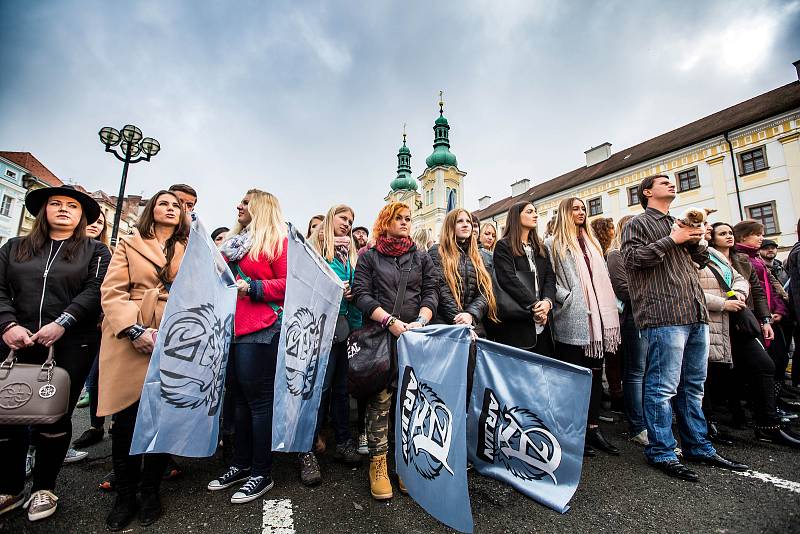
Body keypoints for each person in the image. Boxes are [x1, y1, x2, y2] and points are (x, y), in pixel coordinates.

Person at [622, 174, 747, 482]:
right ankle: (662, 451)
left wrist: (698, 240)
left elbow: (703, 262)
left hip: (694, 312)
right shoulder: (638, 224)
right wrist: (672, 240)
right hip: (664, 315)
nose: (672, 184)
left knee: (693, 386)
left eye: (672, 181)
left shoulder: (681, 222)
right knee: (662, 388)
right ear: (647, 192)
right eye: (663, 182)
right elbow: (632, 259)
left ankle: (698, 446)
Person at [0, 186, 110, 521]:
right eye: (56, 204)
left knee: (54, 415)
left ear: (81, 216)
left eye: (72, 206)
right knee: (8, 413)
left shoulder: (95, 251)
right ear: (43, 210)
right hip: (14, 341)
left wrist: (63, 322)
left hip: (70, 343)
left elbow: (95, 290)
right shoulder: (14, 247)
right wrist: (7, 324)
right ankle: (11, 487)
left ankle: (44, 487)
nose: (63, 209)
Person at [97, 191, 189, 530]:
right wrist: (134, 330)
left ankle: (150, 491)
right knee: (127, 420)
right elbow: (113, 290)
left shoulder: (191, 249)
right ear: (151, 210)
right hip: (131, 332)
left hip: (175, 334)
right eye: (163, 203)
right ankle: (125, 494)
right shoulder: (129, 243)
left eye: (176, 206)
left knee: (163, 417)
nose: (170, 208)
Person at [351, 202, 437, 501]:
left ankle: (404, 463)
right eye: (398, 218)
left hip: (413, 339)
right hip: (380, 336)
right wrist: (388, 320)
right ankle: (378, 464)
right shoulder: (370, 257)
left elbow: (431, 292)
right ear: (385, 222)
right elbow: (360, 294)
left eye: (408, 218)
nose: (404, 222)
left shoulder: (421, 256)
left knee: (409, 402)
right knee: (380, 400)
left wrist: (421, 321)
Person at [208, 190, 287, 504]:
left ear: (262, 207)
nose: (238, 206)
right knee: (238, 400)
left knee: (258, 403)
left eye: (245, 202)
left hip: (261, 327)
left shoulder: (277, 242)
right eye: (239, 202)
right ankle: (240, 464)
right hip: (231, 329)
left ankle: (261, 471)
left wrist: (252, 287)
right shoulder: (232, 244)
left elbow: (287, 282)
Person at [709, 223, 799, 447]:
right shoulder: (704, 258)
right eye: (722, 233)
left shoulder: (741, 260)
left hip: (742, 321)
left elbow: (757, 290)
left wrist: (765, 318)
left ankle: (768, 425)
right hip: (716, 322)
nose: (728, 237)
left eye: (730, 233)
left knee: (764, 365)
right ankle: (712, 423)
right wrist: (725, 302)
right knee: (715, 375)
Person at [545, 197, 620, 457]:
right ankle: (570, 432)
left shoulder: (592, 242)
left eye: (583, 208)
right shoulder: (553, 243)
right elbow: (548, 280)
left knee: (594, 375)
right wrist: (567, 297)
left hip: (597, 320)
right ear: (565, 213)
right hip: (573, 317)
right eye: (575, 208)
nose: (581, 212)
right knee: (571, 378)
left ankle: (593, 427)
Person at [307, 205, 363, 482]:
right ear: (330, 219)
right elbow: (305, 286)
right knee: (319, 390)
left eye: (351, 220)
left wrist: (351, 294)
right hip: (318, 329)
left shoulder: (348, 253)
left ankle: (343, 442)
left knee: (341, 389)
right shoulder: (314, 249)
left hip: (342, 328)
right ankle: (306, 451)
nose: (348, 224)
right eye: (343, 218)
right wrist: (332, 288)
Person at [697, 229, 749, 446]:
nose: (706, 228)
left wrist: (738, 293)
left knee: (723, 369)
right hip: (708, 315)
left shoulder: (714, 254)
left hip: (730, 317)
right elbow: (690, 289)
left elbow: (738, 277)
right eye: (703, 224)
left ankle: (756, 418)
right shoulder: (690, 253)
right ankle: (708, 423)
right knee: (701, 374)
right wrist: (723, 303)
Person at [733, 221, 792, 407]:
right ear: (743, 236)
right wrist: (761, 316)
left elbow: (769, 289)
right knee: (767, 363)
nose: (761, 238)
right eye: (757, 234)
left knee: (779, 359)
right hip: (752, 316)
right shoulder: (741, 258)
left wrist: (778, 311)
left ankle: (774, 402)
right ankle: (766, 406)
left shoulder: (755, 258)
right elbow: (749, 291)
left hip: (766, 316)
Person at [490, 202, 555, 354]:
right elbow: (508, 280)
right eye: (530, 211)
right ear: (516, 217)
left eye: (536, 211)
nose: (536, 215)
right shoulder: (503, 246)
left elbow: (550, 279)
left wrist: (547, 303)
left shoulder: (541, 248)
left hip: (544, 321)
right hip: (518, 323)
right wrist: (535, 305)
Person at [607, 214, 649, 446]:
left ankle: (649, 419)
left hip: (651, 316)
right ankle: (638, 424)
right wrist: (653, 295)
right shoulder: (616, 255)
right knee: (635, 372)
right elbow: (623, 289)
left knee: (648, 371)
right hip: (633, 317)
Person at [72, 211, 111, 451]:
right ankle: (95, 427)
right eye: (92, 221)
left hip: (97, 325)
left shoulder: (104, 252)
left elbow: (103, 290)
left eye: (101, 223)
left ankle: (105, 425)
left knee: (97, 377)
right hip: (69, 324)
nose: (95, 225)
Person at [428, 209, 498, 338]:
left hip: (474, 325)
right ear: (450, 226)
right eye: (460, 221)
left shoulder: (478, 255)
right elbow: (441, 290)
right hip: (446, 327)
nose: (466, 225)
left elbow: (485, 292)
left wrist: (471, 315)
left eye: (468, 221)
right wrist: (461, 323)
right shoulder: (437, 251)